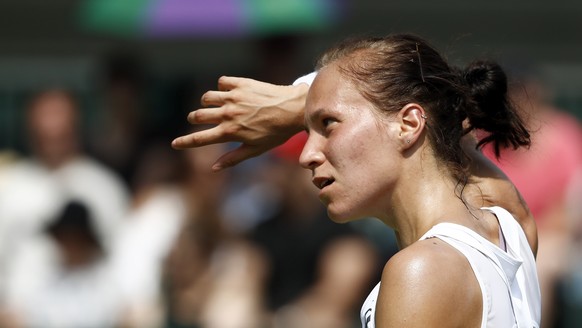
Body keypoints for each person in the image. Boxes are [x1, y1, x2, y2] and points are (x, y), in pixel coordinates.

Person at [174, 33, 541, 327]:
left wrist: (299, 99)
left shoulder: (421, 271)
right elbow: (442, 110)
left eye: (328, 125)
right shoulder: (507, 226)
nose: (306, 154)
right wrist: (304, 101)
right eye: (307, 130)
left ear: (409, 124)